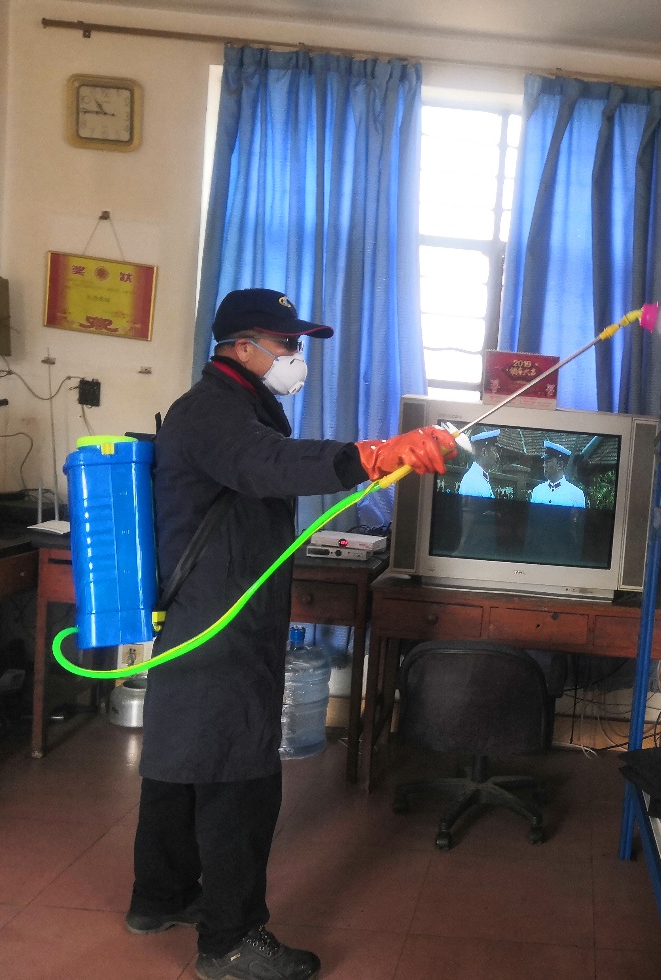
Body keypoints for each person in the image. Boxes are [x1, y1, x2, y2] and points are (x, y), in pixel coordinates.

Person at [125, 288, 455, 980]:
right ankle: (230, 940)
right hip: (221, 618)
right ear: (241, 346)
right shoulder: (215, 410)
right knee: (239, 773)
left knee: (182, 755)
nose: (296, 357)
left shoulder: (238, 403)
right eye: (285, 344)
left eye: (297, 345)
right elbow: (268, 464)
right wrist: (369, 456)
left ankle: (160, 896)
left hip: (208, 610)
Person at [529, 441, 586, 509]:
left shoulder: (576, 494)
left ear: (560, 465)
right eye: (544, 462)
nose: (544, 465)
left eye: (547, 462)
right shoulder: (537, 491)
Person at [458, 428, 500, 498]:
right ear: (484, 452)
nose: (497, 456)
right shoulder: (471, 481)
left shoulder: (480, 477)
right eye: (494, 451)